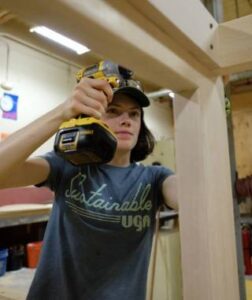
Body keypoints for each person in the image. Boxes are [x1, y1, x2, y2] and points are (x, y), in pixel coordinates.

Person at [0, 66, 178, 300]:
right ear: (92, 117)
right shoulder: (67, 166)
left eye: (134, 114)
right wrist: (63, 112)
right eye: (114, 111)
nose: (126, 120)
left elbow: (194, 200)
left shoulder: (155, 179)